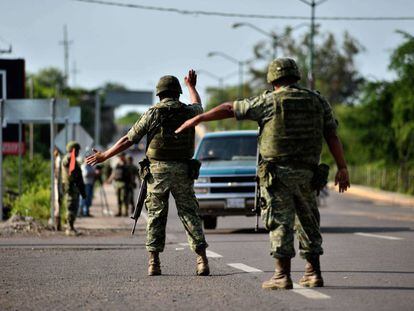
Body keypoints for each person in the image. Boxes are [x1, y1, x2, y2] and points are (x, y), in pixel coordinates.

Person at [176, 59, 350, 289]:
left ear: (273, 79)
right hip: (308, 173)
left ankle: (282, 275)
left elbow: (230, 109)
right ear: (296, 76)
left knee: (280, 221)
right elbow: (332, 135)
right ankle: (313, 272)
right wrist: (342, 167)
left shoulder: (269, 101)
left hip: (278, 174)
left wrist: (199, 117)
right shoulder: (317, 101)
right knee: (308, 221)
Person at [86, 70, 210, 276]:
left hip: (158, 172)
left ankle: (154, 263)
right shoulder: (189, 112)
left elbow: (128, 139)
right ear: (178, 93)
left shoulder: (152, 113)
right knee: (190, 214)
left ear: (159, 94)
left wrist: (105, 155)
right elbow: (199, 106)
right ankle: (202, 260)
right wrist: (192, 86)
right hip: (182, 170)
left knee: (155, 216)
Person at [61, 141, 87, 236]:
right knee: (71, 207)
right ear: (73, 150)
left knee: (74, 207)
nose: (78, 152)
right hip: (70, 188)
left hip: (74, 188)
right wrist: (71, 155)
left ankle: (71, 227)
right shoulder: (68, 159)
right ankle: (69, 228)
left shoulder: (74, 160)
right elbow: (67, 162)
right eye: (77, 150)